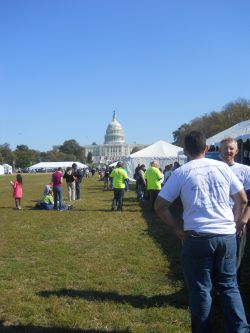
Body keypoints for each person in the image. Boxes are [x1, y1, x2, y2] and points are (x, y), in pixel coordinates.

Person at [154, 131, 249, 333]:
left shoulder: (182, 172)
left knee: (201, 289)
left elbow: (160, 206)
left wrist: (177, 229)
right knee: (229, 285)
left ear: (185, 151)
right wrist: (234, 222)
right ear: (207, 148)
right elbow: (242, 199)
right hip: (226, 235)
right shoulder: (223, 167)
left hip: (197, 237)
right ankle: (240, 329)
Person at [219, 137, 250, 283]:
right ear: (220, 150)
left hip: (237, 221)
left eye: (231, 148)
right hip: (218, 221)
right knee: (219, 256)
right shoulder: (214, 169)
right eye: (225, 148)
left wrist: (242, 221)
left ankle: (233, 288)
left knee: (236, 257)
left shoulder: (245, 170)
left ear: (237, 151)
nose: (228, 151)